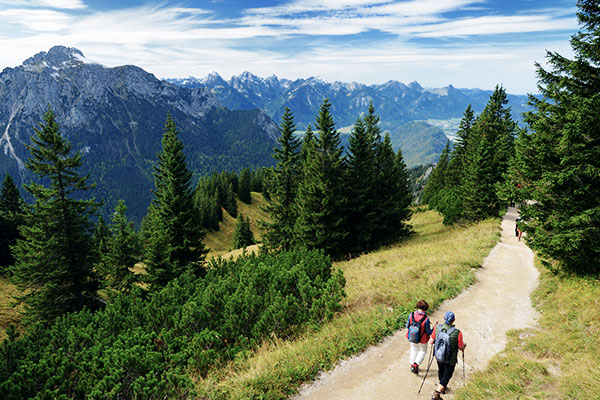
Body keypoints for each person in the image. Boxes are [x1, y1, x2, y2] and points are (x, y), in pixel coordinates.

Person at [429, 311, 466, 400]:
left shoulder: (437, 327)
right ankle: (437, 393)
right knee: (448, 374)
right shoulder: (457, 332)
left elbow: (431, 341)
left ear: (444, 318)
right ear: (454, 320)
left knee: (441, 371)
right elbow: (461, 347)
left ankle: (442, 387)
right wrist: (464, 346)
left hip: (439, 356)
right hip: (450, 359)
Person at [405, 300, 433, 374]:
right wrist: (434, 328)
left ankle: (412, 365)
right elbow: (429, 332)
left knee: (413, 349)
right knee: (423, 351)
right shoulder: (426, 319)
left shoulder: (411, 315)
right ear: (426, 309)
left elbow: (407, 326)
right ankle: (416, 364)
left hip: (412, 336)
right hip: (422, 339)